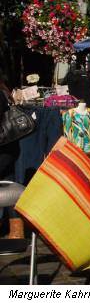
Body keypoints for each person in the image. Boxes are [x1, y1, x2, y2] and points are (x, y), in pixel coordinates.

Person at [0, 77, 23, 238]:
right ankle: (16, 230)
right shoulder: (4, 91)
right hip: (9, 146)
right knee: (9, 184)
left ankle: (15, 230)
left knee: (8, 186)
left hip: (3, 148)